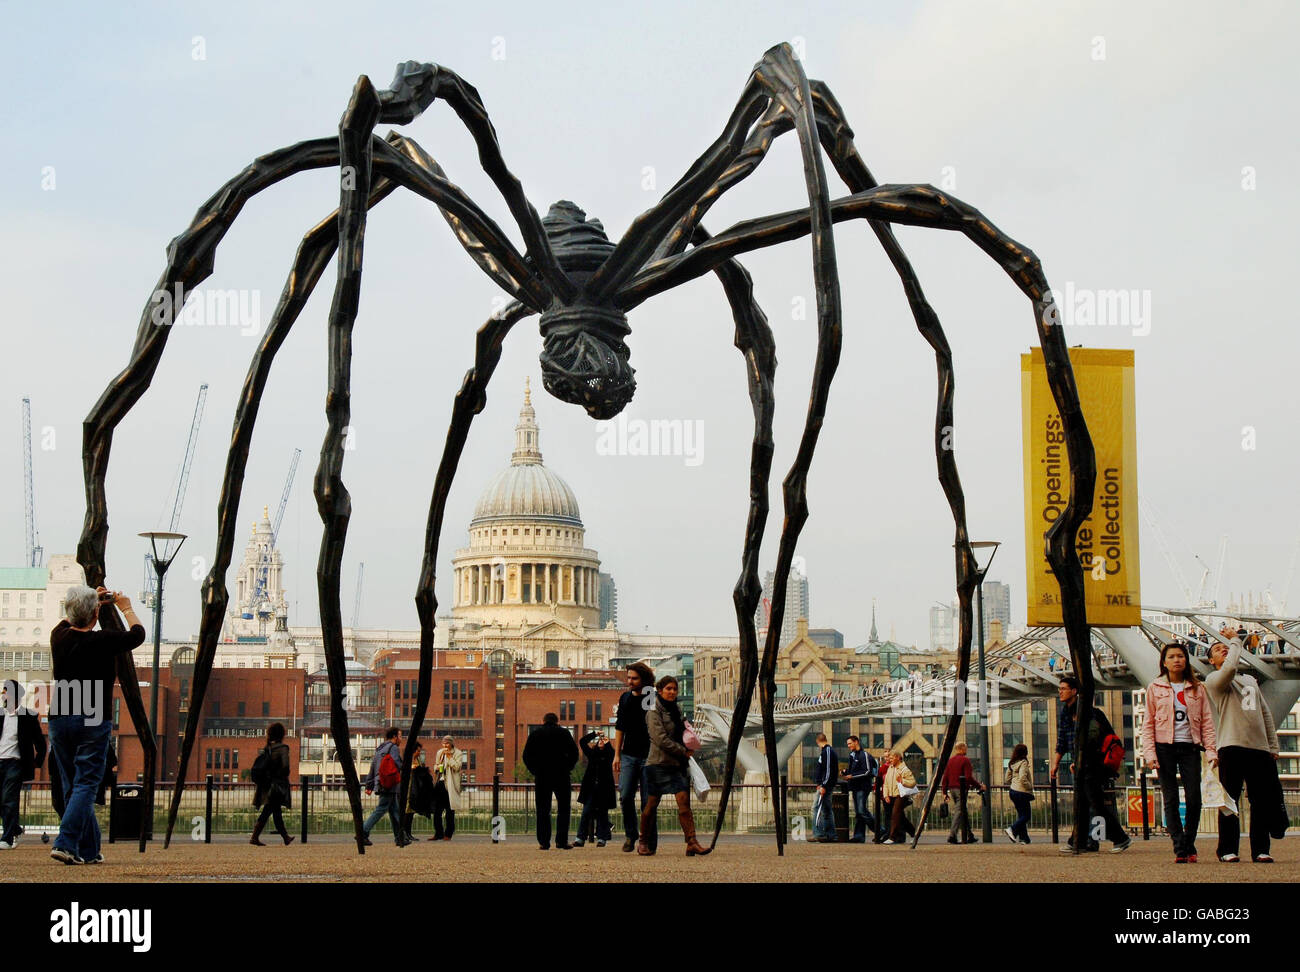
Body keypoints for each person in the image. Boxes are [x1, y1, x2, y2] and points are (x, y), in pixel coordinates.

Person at [48, 585, 145, 865]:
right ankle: (65, 843)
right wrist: (124, 606)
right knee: (87, 783)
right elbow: (137, 635)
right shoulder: (103, 640)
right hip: (91, 715)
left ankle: (88, 850)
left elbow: (70, 618)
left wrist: (93, 601)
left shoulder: (59, 636)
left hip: (60, 715)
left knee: (72, 785)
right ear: (94, 614)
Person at [1206, 628, 1283, 863]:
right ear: (1211, 661)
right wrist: (1235, 642)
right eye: (1218, 650)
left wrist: (1273, 746)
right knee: (1230, 799)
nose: (1225, 650)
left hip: (1259, 748)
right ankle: (1227, 849)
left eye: (1226, 648)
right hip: (1231, 745)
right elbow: (1228, 668)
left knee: (1261, 800)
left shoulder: (1250, 680)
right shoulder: (1214, 680)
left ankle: (1261, 849)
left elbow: (1265, 713)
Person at [1140, 641, 1216, 862]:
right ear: (1164, 662)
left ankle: (1189, 842)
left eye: (1180, 656)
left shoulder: (1197, 688)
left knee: (1194, 798)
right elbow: (1148, 724)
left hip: (1190, 747)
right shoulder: (1155, 687)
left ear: (1186, 660)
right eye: (1172, 657)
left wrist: (1211, 750)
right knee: (1170, 798)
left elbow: (1207, 722)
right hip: (1164, 748)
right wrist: (1150, 755)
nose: (1177, 660)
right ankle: (1180, 848)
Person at [1051, 675, 1130, 854]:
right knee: (1085, 803)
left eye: (1063, 689)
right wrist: (1056, 763)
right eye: (1059, 689)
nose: (1060, 692)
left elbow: (1093, 739)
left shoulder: (1089, 713)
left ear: (1074, 691)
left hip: (1093, 764)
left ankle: (1120, 838)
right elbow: (1063, 740)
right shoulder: (1065, 712)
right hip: (1079, 764)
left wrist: (1078, 760)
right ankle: (1079, 841)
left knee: (1095, 803)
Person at [637, 675, 708, 857]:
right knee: (652, 804)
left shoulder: (675, 709)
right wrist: (682, 751)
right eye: (668, 689)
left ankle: (691, 841)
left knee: (684, 802)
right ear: (659, 691)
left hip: (676, 764)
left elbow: (680, 732)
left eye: (675, 689)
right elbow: (659, 739)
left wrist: (688, 747)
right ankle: (643, 840)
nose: (672, 692)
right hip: (658, 764)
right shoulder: (653, 710)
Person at [0, 680, 47, 850]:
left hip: (15, 763)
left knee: (9, 799)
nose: (5, 695)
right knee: (3, 801)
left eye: (8, 692)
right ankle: (16, 829)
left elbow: (40, 743)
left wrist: (36, 763)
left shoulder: (28, 716)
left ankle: (7, 838)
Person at [613, 662, 655, 852]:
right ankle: (631, 835)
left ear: (644, 680)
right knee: (625, 796)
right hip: (629, 755)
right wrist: (617, 755)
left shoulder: (651, 697)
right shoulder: (625, 698)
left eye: (634, 678)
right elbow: (620, 727)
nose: (629, 681)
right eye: (628, 678)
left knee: (648, 801)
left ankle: (648, 840)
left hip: (649, 756)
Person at [523, 713, 579, 850]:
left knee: (543, 809)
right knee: (564, 809)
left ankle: (544, 841)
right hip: (561, 775)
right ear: (557, 721)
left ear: (543, 721)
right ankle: (561, 841)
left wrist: (535, 770)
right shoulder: (564, 733)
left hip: (542, 776)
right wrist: (568, 767)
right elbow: (574, 754)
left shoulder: (535, 734)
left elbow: (526, 756)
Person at [362, 727, 408, 847]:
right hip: (389, 783)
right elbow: (397, 764)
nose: (401, 739)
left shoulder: (380, 748)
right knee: (381, 809)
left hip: (381, 783)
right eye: (400, 736)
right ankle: (363, 832)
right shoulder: (393, 748)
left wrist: (369, 784)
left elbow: (373, 767)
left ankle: (400, 838)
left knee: (394, 811)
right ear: (394, 737)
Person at [250, 722, 294, 846]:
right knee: (270, 810)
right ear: (282, 734)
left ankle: (285, 837)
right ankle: (255, 837)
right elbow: (285, 766)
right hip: (277, 786)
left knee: (274, 810)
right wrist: (283, 775)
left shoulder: (268, 748)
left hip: (268, 785)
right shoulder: (283, 748)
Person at [575, 729, 616, 847]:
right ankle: (580, 838)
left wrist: (608, 743)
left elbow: (612, 753)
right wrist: (594, 734)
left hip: (604, 789)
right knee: (586, 812)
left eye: (603, 741)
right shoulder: (592, 754)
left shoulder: (608, 755)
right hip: (591, 788)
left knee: (602, 814)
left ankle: (602, 838)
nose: (601, 742)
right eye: (599, 741)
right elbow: (582, 742)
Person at [941, 741, 986, 844]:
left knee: (963, 811)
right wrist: (980, 786)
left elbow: (945, 777)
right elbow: (968, 777)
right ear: (962, 749)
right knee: (959, 811)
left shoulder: (950, 761)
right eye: (966, 748)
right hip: (961, 789)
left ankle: (970, 835)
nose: (967, 750)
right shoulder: (965, 760)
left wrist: (944, 792)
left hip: (952, 789)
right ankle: (952, 835)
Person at [840, 735, 878, 843]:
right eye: (848, 744)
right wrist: (845, 772)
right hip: (856, 787)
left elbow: (867, 771)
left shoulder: (864, 755)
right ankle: (859, 836)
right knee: (858, 812)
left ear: (856, 742)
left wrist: (851, 776)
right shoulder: (853, 755)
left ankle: (880, 830)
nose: (848, 746)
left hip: (863, 787)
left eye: (850, 743)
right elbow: (854, 771)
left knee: (862, 811)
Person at [432, 735, 464, 840]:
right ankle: (438, 833)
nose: (445, 745)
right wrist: (437, 767)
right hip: (440, 783)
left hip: (450, 784)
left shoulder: (458, 753)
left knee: (450, 811)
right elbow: (435, 766)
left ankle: (448, 834)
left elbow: (457, 767)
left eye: (447, 743)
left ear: (451, 744)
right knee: (437, 811)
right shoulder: (440, 753)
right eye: (444, 743)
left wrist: (449, 758)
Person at [881, 752, 916, 844]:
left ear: (898, 758)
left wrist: (902, 781)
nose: (889, 760)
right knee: (900, 817)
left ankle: (892, 837)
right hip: (891, 795)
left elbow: (912, 783)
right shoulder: (890, 768)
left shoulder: (904, 769)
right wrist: (886, 795)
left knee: (895, 814)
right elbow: (886, 783)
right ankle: (914, 832)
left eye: (892, 758)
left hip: (901, 795)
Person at [402, 741, 434, 841]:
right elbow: (403, 771)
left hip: (415, 788)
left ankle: (409, 833)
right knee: (407, 810)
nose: (419, 753)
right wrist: (412, 768)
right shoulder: (407, 760)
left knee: (411, 811)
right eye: (418, 751)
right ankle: (404, 833)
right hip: (409, 788)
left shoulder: (418, 760)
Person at [811, 732, 839, 842]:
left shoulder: (826, 752)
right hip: (827, 785)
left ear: (818, 741)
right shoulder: (828, 751)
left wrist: (823, 785)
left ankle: (819, 833)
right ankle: (831, 834)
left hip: (825, 786)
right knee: (827, 810)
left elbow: (827, 770)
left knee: (816, 808)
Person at [1003, 742, 1034, 844]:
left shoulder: (1012, 763)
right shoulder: (1023, 763)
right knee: (1026, 816)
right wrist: (1030, 787)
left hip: (1013, 791)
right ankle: (1012, 829)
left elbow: (1007, 779)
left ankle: (1024, 838)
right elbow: (1023, 778)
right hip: (1022, 792)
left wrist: (1014, 782)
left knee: (1022, 815)